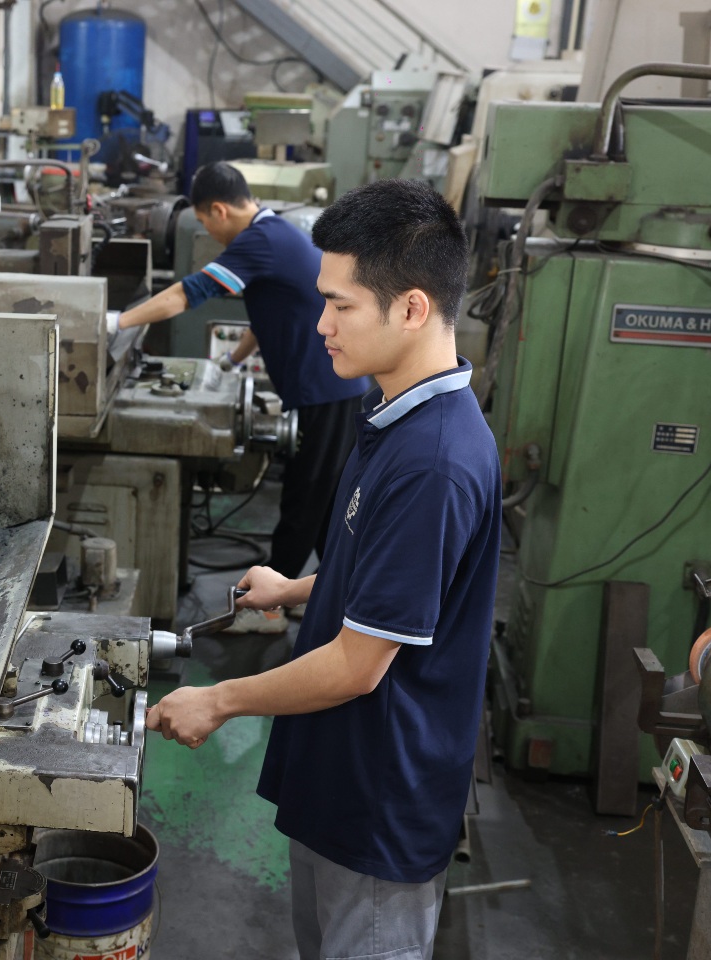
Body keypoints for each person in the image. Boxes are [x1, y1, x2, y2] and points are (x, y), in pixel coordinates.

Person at [145, 178, 502, 960]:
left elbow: (357, 665)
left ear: (411, 308)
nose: (321, 325)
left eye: (341, 305)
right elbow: (393, 578)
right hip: (341, 775)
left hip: (378, 800)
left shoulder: (434, 461)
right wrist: (297, 586)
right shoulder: (395, 414)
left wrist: (220, 700)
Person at [118, 161, 368, 580]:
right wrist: (231, 361)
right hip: (332, 389)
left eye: (204, 222)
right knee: (325, 506)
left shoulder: (260, 239)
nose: (208, 232)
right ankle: (333, 594)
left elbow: (189, 293)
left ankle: (268, 600)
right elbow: (270, 315)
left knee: (306, 501)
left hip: (327, 391)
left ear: (219, 210)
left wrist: (117, 323)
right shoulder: (275, 231)